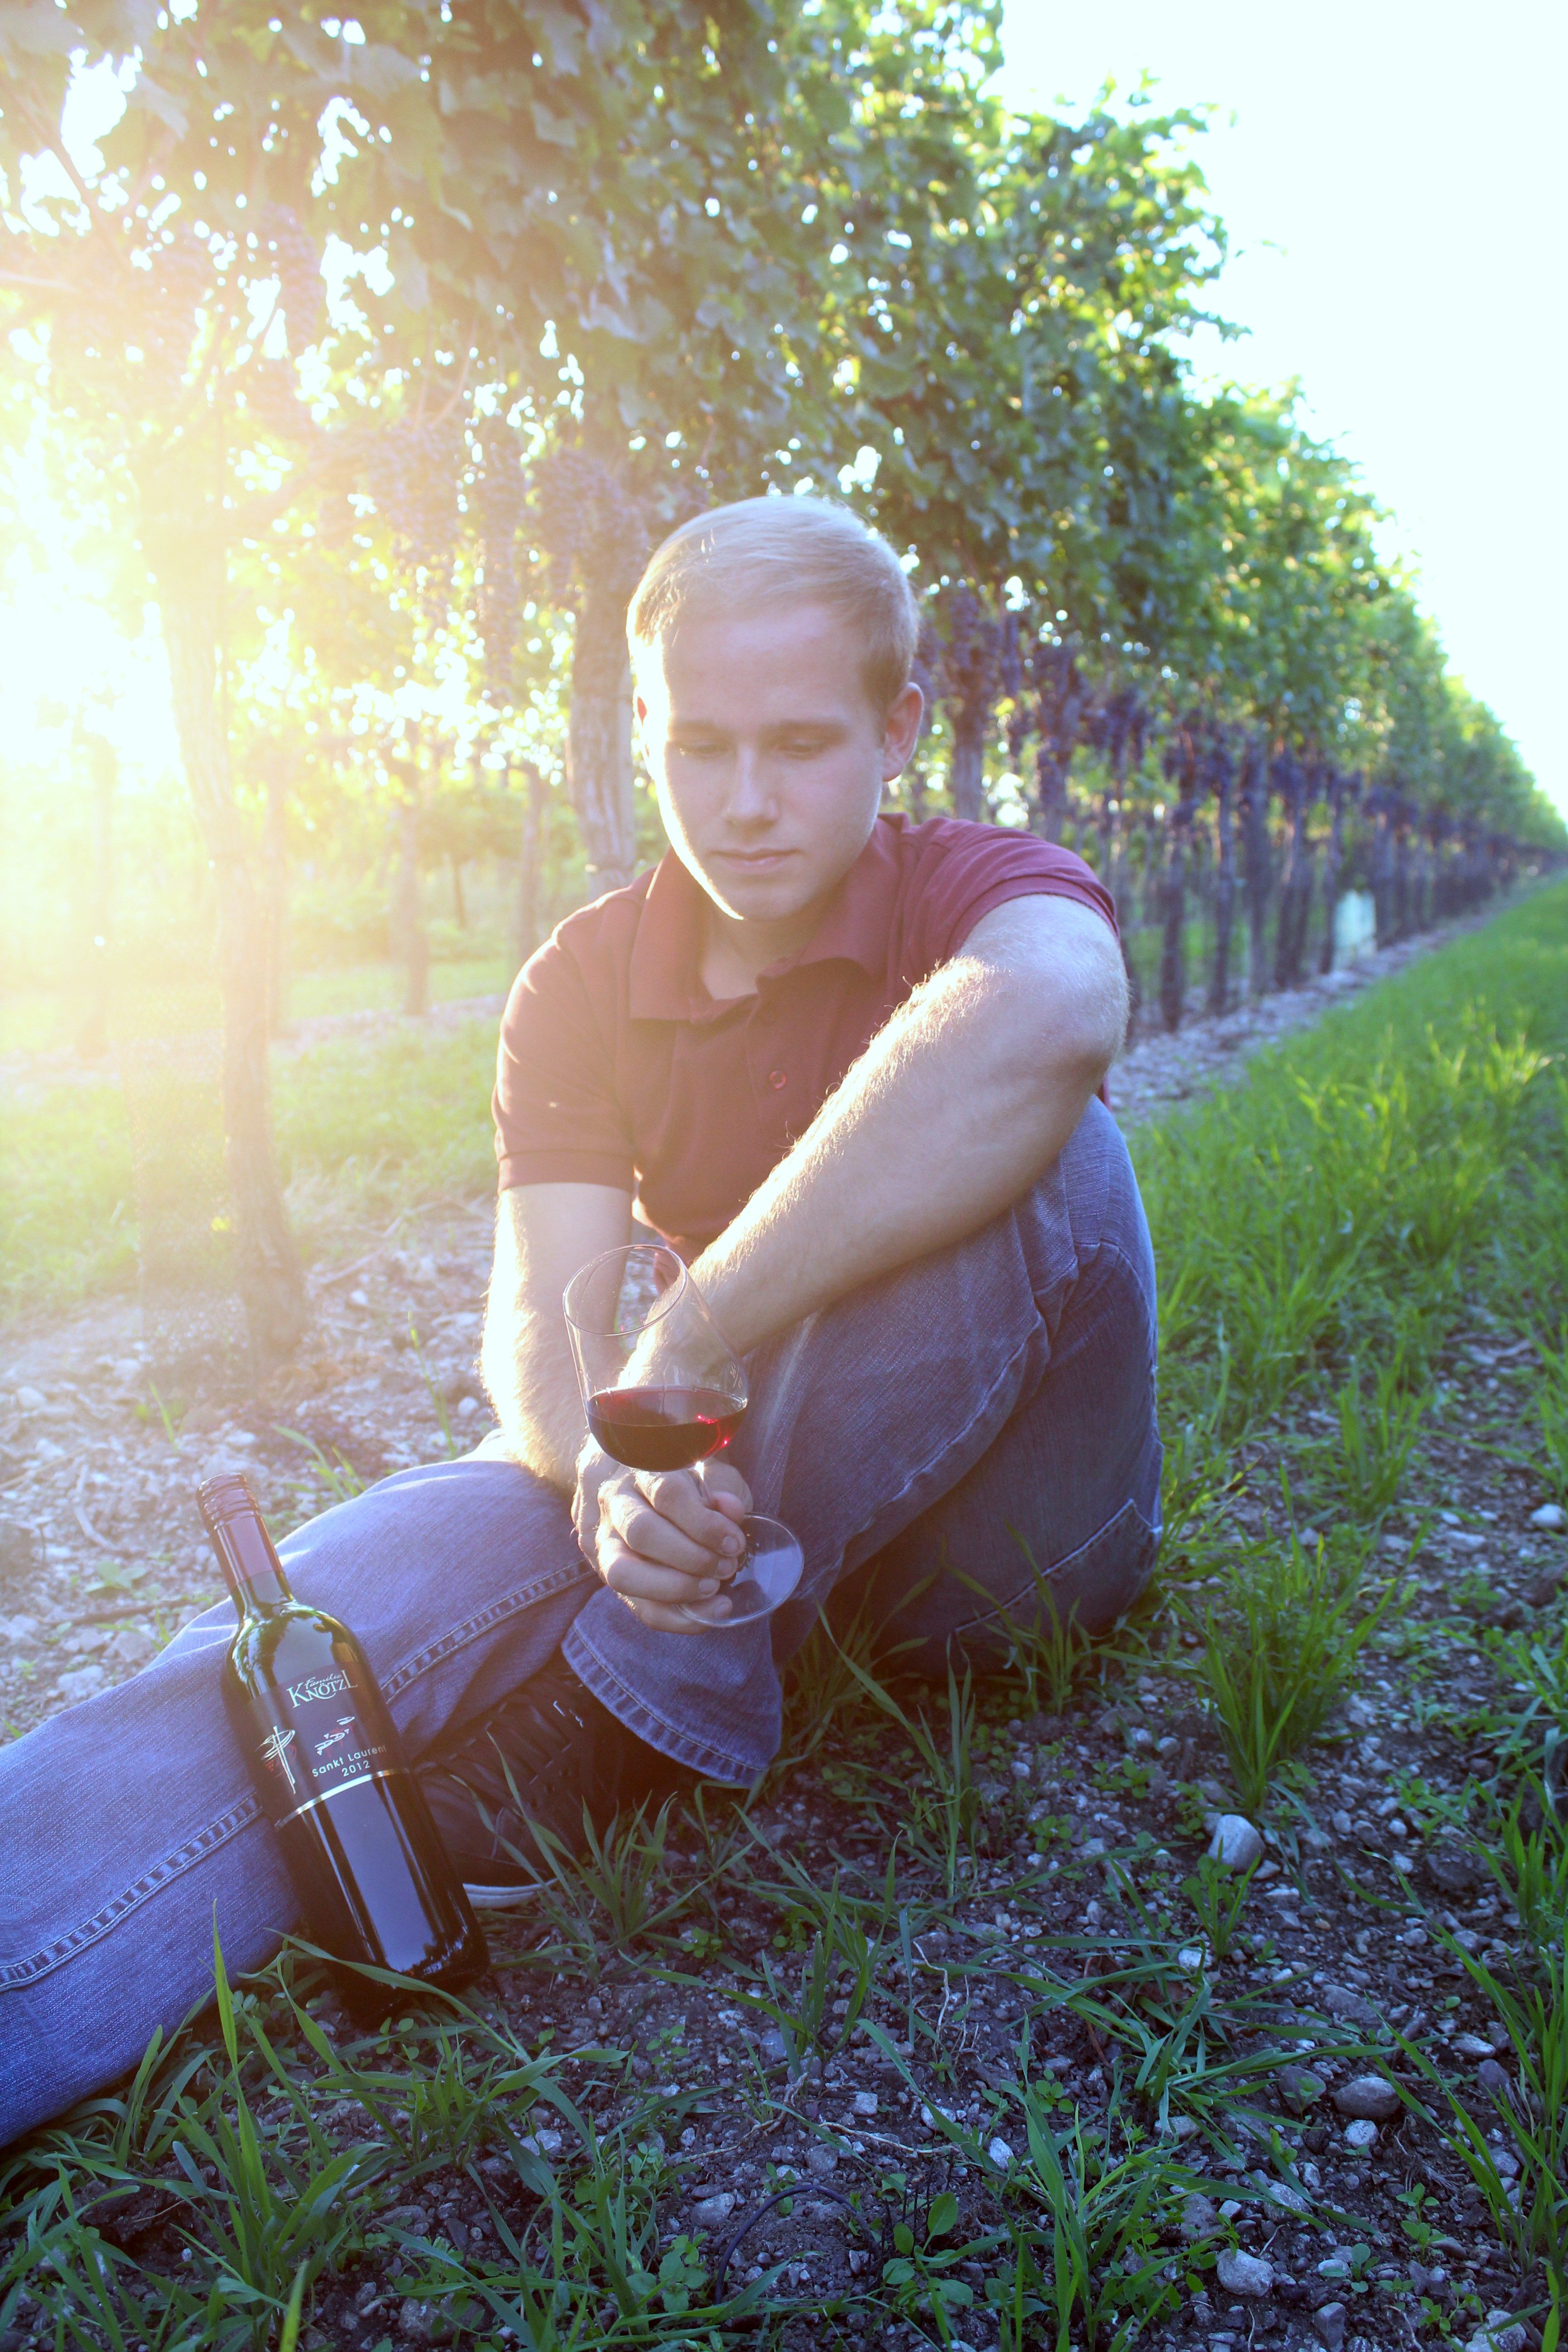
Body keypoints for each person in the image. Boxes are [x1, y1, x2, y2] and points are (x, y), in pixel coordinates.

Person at [0, 497, 1160, 2146]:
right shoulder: (582, 980)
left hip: (1011, 1551)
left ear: (901, 729)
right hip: (759, 1519)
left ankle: (634, 1704)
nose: (746, 804)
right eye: (698, 748)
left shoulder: (979, 887)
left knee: (1042, 1132)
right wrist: (607, 1468)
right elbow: (542, 1333)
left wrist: (686, 1334)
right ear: (642, 731)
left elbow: (1054, 1010)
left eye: (802, 745)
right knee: (393, 1560)